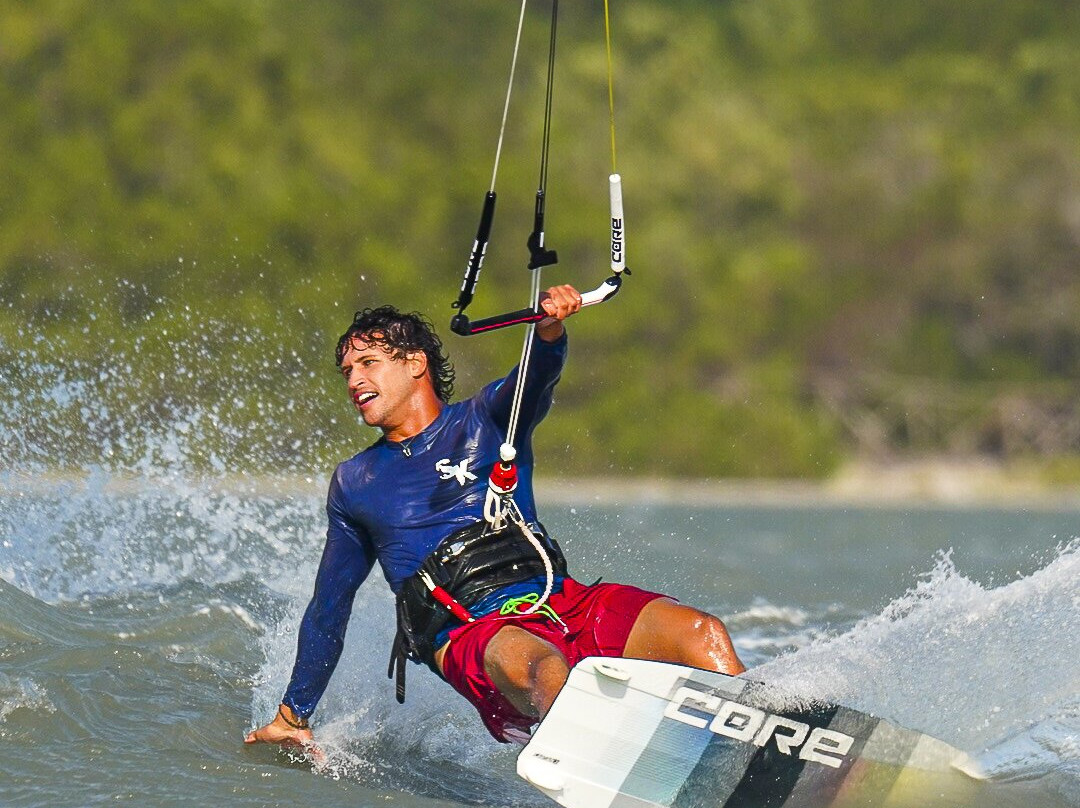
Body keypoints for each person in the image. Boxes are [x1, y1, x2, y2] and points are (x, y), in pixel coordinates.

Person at [245, 285, 744, 751]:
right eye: (348, 372)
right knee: (544, 669)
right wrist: (294, 716)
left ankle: (765, 747)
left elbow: (537, 375)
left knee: (701, 633)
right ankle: (608, 767)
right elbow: (330, 604)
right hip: (469, 635)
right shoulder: (356, 482)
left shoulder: (485, 421)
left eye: (368, 363)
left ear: (415, 363)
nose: (355, 381)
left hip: (559, 602)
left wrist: (549, 331)